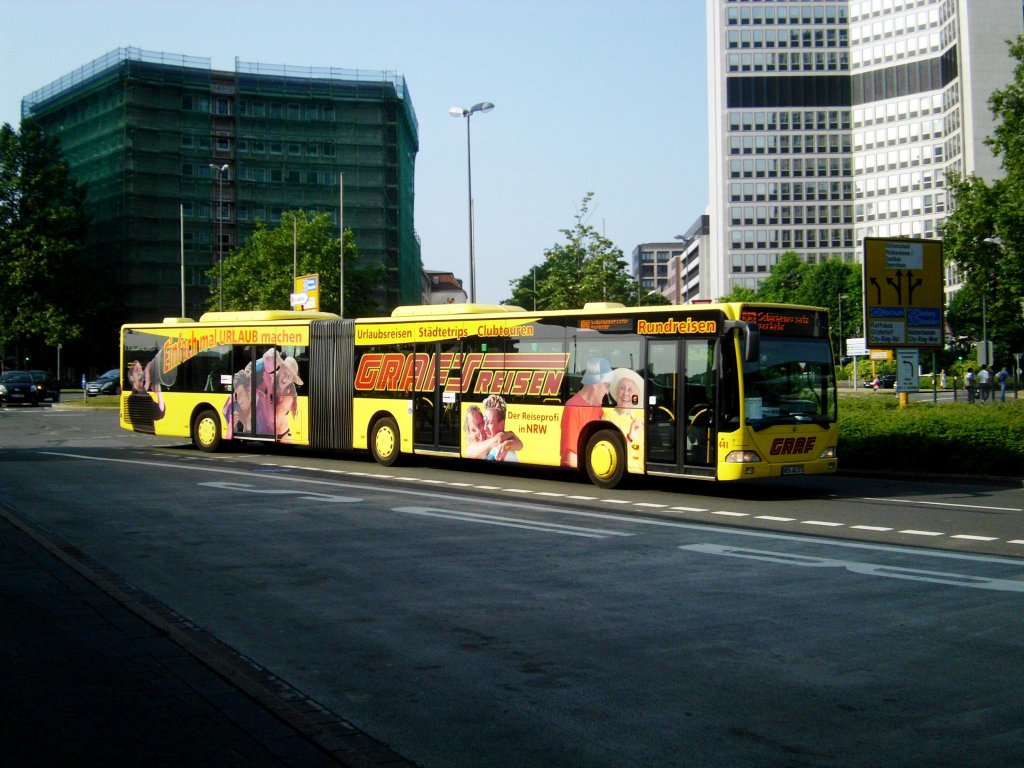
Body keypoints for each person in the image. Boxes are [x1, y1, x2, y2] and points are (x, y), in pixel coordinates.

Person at [560, 356, 614, 468]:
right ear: (595, 383)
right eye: (606, 385)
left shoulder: (597, 407)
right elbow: (570, 458)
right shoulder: (573, 407)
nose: (607, 392)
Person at [125, 359, 165, 434]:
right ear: (132, 378)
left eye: (141, 369)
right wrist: (147, 382)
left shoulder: (146, 396)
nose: (140, 372)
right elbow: (140, 398)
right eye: (137, 370)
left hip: (150, 434)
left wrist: (159, 393)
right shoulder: (131, 398)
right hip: (140, 436)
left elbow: (159, 414)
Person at [607, 367, 643, 444]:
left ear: (636, 396)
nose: (625, 393)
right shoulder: (609, 418)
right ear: (616, 392)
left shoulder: (642, 417)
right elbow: (611, 447)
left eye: (630, 390)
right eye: (622, 388)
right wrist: (629, 438)